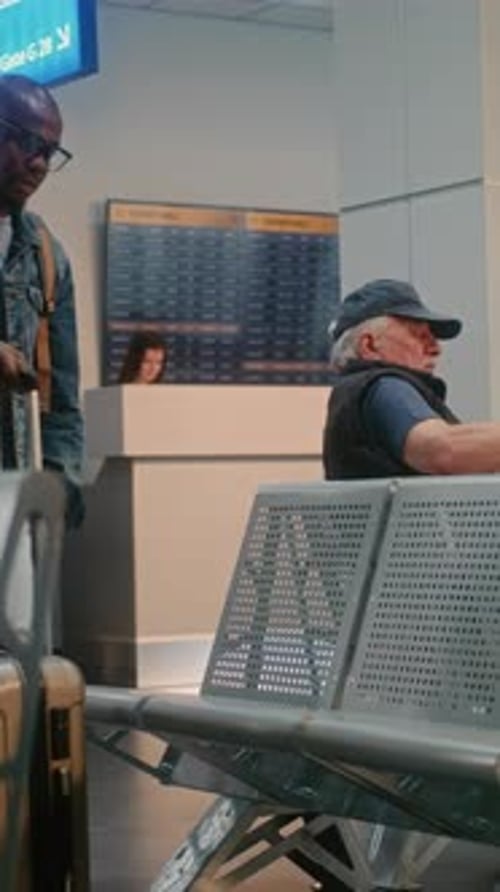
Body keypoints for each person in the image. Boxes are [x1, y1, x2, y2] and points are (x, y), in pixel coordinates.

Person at [0, 74, 84, 526]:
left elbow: (63, 396)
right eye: (27, 143)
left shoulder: (47, 257)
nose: (37, 163)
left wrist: (58, 485)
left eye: (49, 153)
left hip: (13, 505)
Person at [323, 277, 500, 480]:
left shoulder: (358, 393)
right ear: (369, 346)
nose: (436, 348)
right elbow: (442, 450)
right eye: (419, 335)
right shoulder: (385, 386)